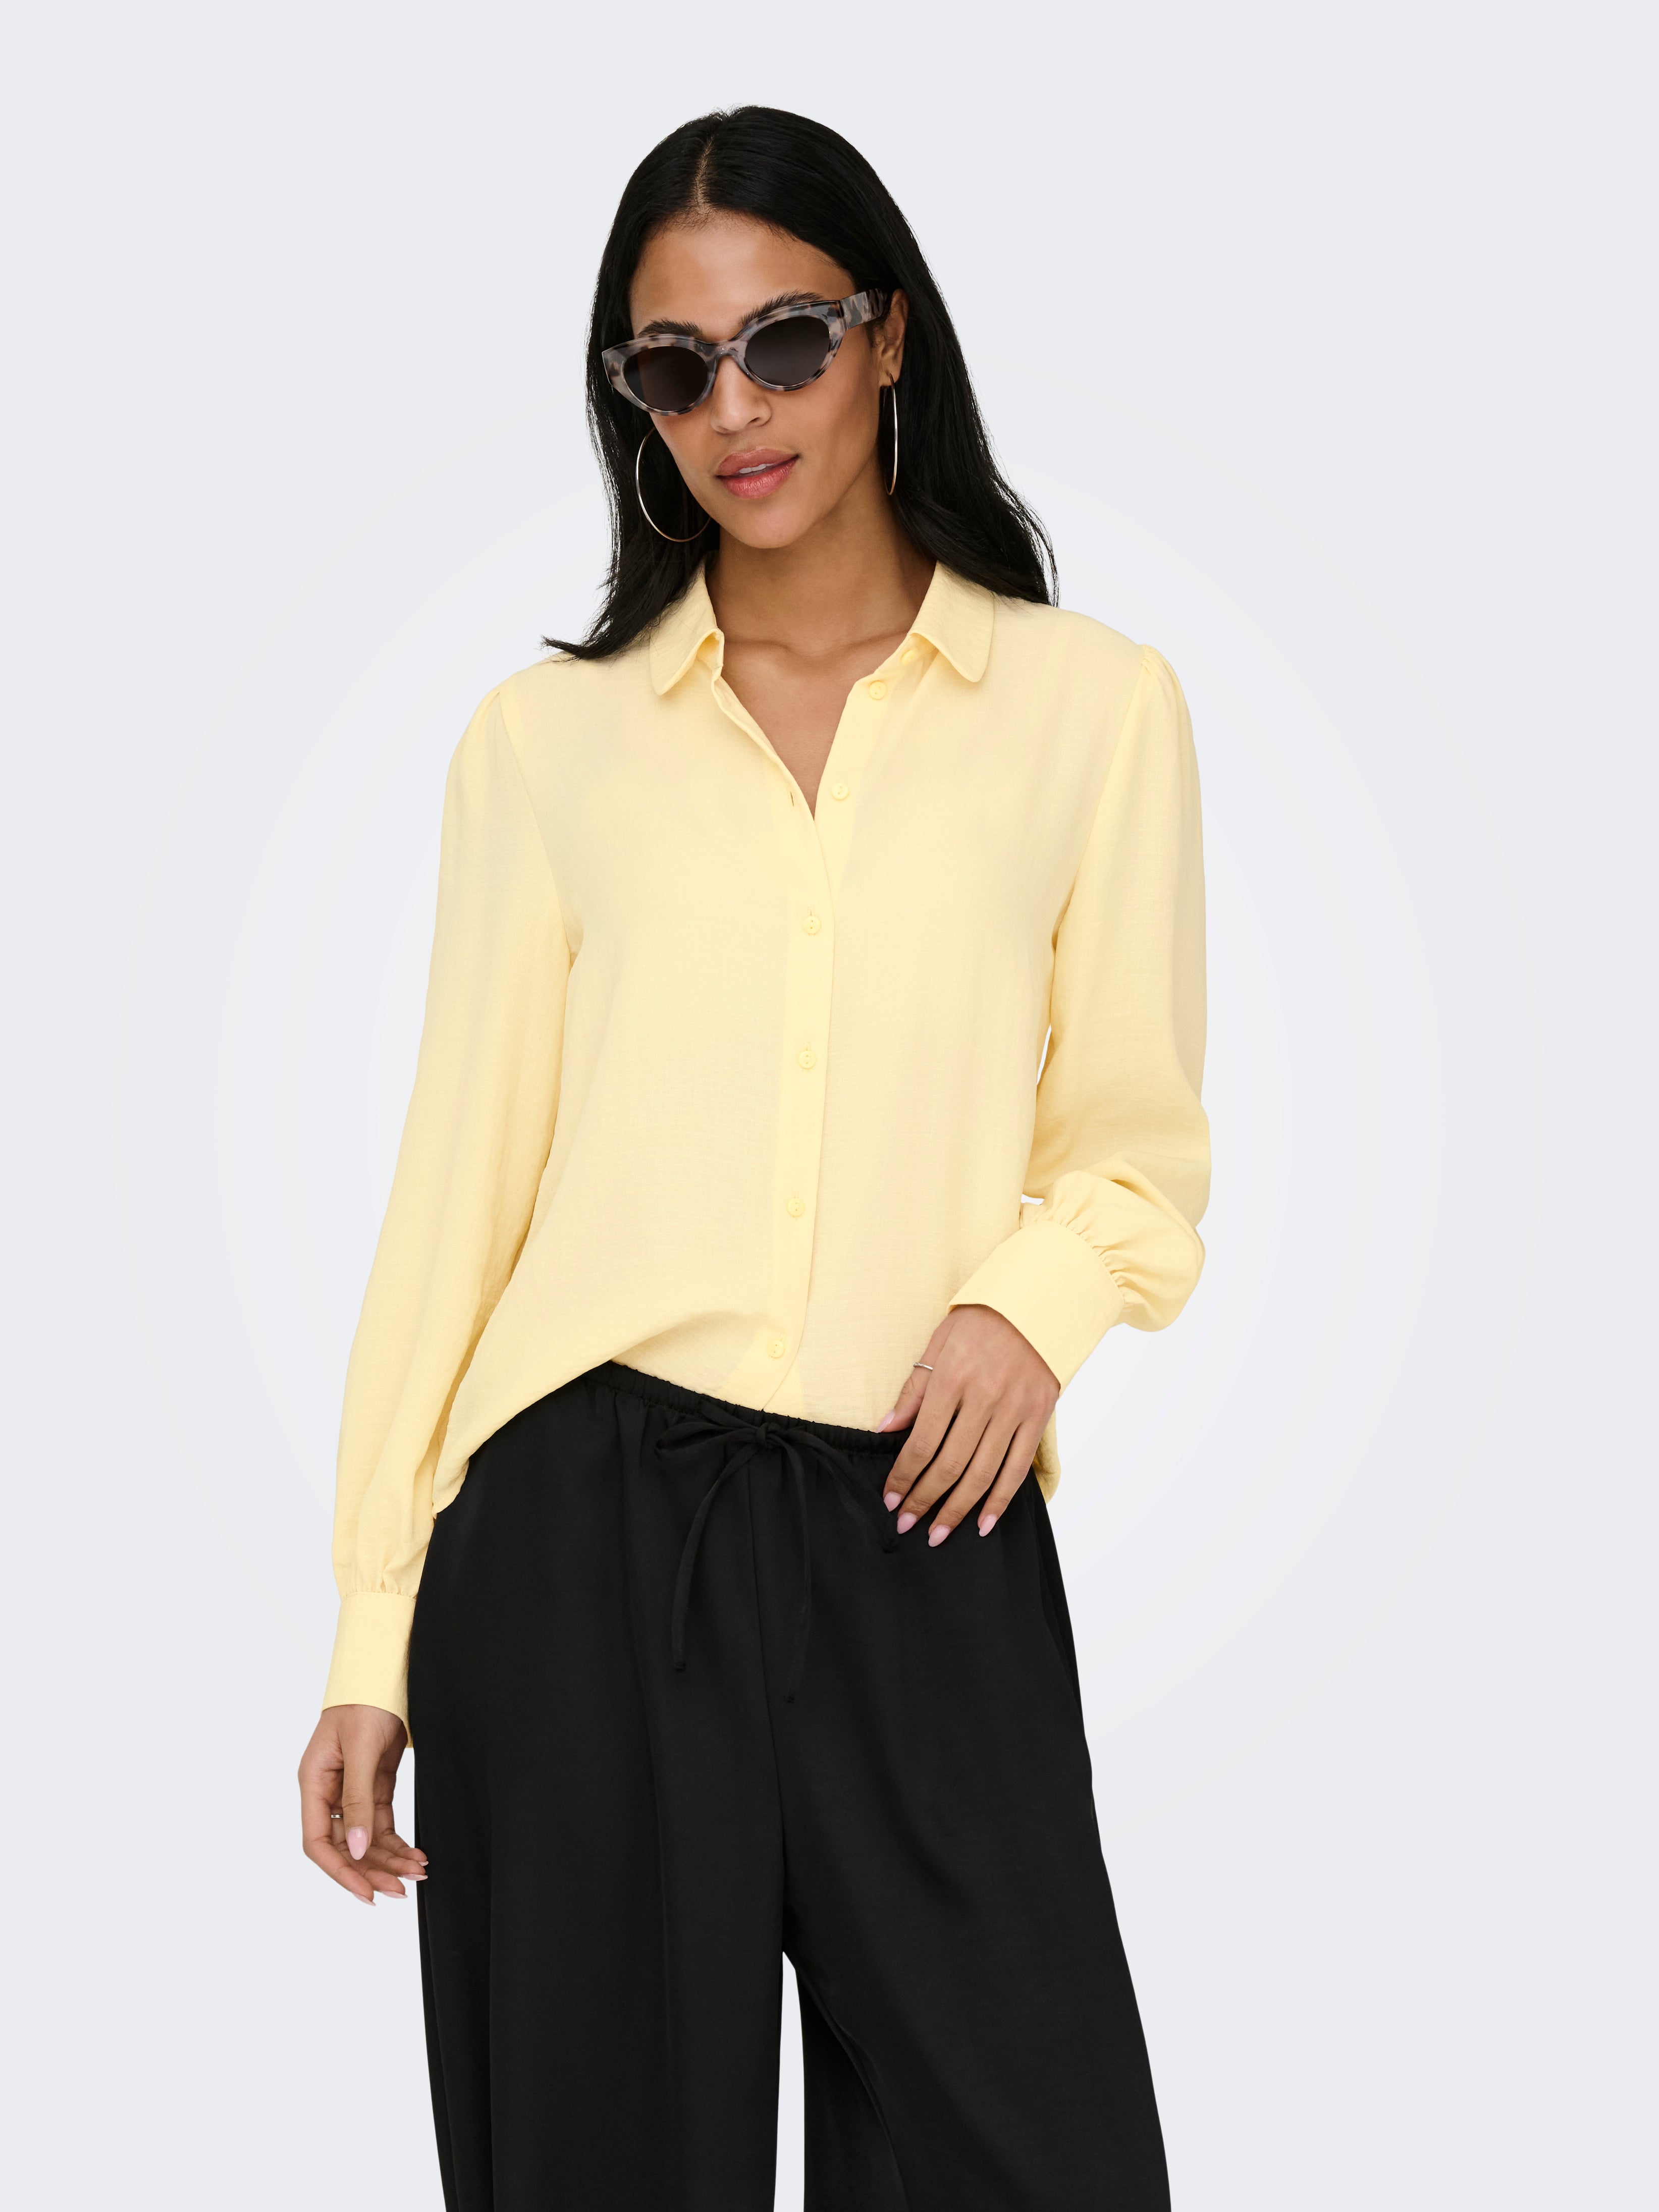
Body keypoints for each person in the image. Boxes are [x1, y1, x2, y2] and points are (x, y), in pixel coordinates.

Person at [297, 104, 1209, 2212]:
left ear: (887, 337)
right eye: (674, 365)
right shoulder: (548, 747)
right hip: (577, 1539)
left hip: (927, 1514)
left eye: (786, 340)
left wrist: (1030, 1304)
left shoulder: (1094, 711)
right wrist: (370, 1627)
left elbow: (1137, 1138)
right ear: (632, 400)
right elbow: (457, 1196)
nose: (738, 407)